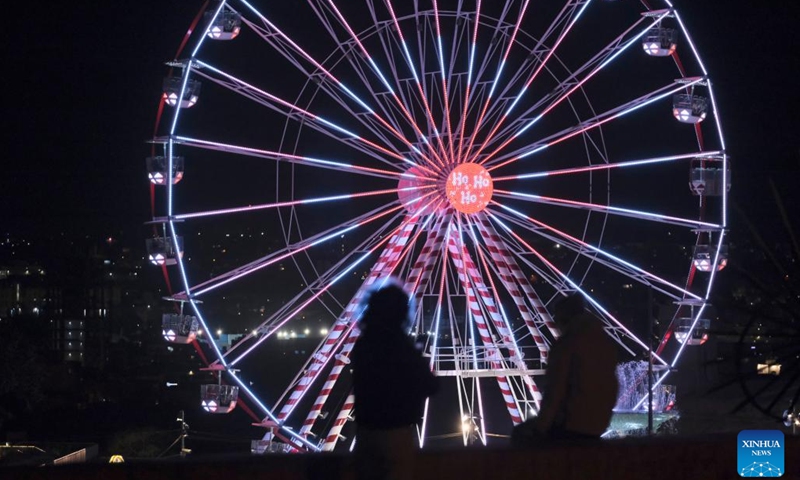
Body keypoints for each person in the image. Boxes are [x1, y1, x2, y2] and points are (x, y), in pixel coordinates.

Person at [351, 280, 439, 480]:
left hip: (365, 434)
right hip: (395, 433)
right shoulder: (400, 347)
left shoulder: (363, 345)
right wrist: (417, 354)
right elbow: (430, 385)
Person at [512, 293, 618, 444]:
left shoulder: (567, 345)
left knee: (520, 434)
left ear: (564, 318)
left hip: (571, 425)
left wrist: (541, 427)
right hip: (598, 423)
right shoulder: (605, 343)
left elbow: (555, 391)